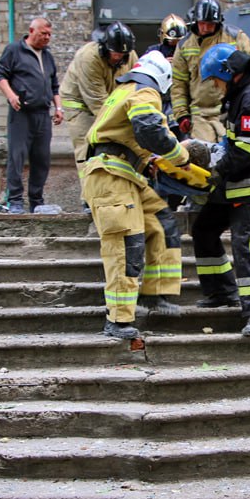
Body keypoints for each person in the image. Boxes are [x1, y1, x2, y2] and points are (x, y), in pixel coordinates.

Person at [81, 50, 191, 340]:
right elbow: (149, 128)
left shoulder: (124, 89)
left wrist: (149, 161)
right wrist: (180, 156)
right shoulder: (146, 91)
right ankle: (117, 320)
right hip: (111, 176)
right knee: (125, 246)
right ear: (163, 79)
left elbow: (125, 135)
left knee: (162, 222)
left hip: (122, 172)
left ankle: (157, 294)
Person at [191, 43, 250, 338]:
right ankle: (221, 292)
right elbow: (234, 144)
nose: (215, 87)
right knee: (203, 229)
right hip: (234, 180)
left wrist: (216, 168)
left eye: (215, 80)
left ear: (228, 73)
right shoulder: (239, 96)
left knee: (245, 244)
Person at [171, 0, 250, 143]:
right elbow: (179, 83)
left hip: (230, 109)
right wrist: (182, 114)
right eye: (202, 23)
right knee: (206, 157)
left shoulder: (234, 37)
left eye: (210, 24)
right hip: (201, 114)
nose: (206, 28)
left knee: (230, 155)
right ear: (196, 20)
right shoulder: (185, 45)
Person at [0, 17, 64, 214]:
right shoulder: (14, 50)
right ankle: (15, 200)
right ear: (32, 31)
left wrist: (59, 108)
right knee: (17, 156)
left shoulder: (48, 56)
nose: (47, 38)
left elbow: (54, 85)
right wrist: (11, 96)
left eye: (50, 34)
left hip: (43, 113)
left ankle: (36, 202)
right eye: (44, 34)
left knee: (42, 159)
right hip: (21, 112)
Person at [61, 21, 138, 174]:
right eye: (115, 53)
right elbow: (98, 101)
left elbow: (135, 85)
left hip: (109, 105)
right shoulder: (88, 58)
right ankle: (89, 195)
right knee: (88, 150)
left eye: (123, 54)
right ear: (104, 47)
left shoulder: (129, 55)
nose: (119, 57)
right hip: (81, 106)